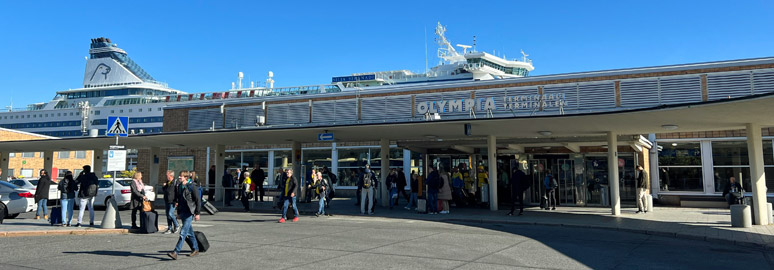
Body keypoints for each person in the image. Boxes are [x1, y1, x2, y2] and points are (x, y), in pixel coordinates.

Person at [167, 171, 202, 260]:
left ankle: (176, 252)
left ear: (186, 177)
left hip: (190, 212)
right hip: (183, 212)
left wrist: (197, 213)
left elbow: (198, 200)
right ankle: (195, 248)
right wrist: (178, 213)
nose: (179, 177)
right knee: (189, 233)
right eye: (179, 176)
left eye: (181, 176)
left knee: (183, 233)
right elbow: (180, 200)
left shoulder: (192, 186)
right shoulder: (180, 186)